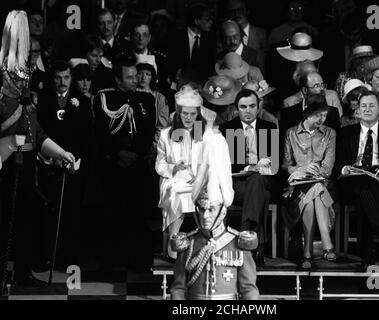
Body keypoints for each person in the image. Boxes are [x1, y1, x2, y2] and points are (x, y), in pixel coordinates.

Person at [0, 10, 75, 291]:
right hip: (5, 160)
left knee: (27, 219)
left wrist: (59, 152)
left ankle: (22, 273)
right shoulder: (4, 79)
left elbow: (36, 129)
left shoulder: (26, 80)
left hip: (27, 161)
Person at [170, 109, 259, 300]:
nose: (206, 215)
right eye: (202, 209)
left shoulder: (239, 244)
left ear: (223, 210)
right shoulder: (188, 245)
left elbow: (249, 290)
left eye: (211, 209)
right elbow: (179, 288)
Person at [93, 56, 157, 272]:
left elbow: (147, 134)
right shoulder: (104, 99)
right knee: (112, 214)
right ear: (118, 80)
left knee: (137, 215)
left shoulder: (146, 100)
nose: (135, 80)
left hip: (137, 165)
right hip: (113, 165)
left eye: (136, 76)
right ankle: (111, 261)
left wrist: (134, 154)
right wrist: (118, 153)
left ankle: (137, 261)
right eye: (129, 77)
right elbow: (101, 132)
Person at [335, 91, 379, 270]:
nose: (367, 109)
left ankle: (367, 254)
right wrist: (345, 169)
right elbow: (338, 163)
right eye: (363, 105)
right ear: (357, 109)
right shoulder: (345, 133)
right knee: (363, 184)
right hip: (352, 181)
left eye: (372, 106)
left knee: (365, 193)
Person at [36, 60, 93, 268]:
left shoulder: (82, 101)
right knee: (46, 212)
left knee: (71, 213)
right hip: (47, 163)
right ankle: (44, 256)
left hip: (72, 166)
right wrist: (48, 156)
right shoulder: (42, 100)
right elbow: (39, 131)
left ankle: (67, 258)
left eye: (67, 77)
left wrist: (75, 159)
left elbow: (86, 136)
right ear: (53, 79)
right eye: (58, 77)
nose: (62, 82)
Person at [219, 89, 279, 268]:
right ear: (237, 108)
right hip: (237, 183)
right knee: (257, 188)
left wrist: (265, 166)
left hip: (263, 180)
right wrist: (249, 168)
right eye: (243, 107)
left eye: (252, 106)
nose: (248, 110)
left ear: (258, 106)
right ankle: (256, 245)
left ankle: (245, 234)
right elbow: (226, 164)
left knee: (258, 181)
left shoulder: (269, 128)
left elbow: (276, 164)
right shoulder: (227, 129)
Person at [282, 95, 337, 268]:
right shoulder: (291, 133)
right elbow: (285, 164)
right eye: (317, 115)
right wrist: (301, 170)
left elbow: (327, 168)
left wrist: (315, 174)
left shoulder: (330, 133)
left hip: (324, 185)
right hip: (296, 186)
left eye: (324, 115)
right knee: (314, 190)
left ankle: (307, 253)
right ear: (307, 114)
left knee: (317, 187)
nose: (322, 119)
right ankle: (327, 244)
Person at [155, 85, 206, 261]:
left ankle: (207, 245)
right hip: (174, 180)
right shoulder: (165, 135)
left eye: (193, 114)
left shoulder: (203, 134)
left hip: (197, 179)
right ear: (178, 113)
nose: (189, 118)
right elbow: (159, 164)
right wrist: (173, 168)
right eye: (185, 113)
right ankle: (173, 245)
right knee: (177, 195)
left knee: (209, 195)